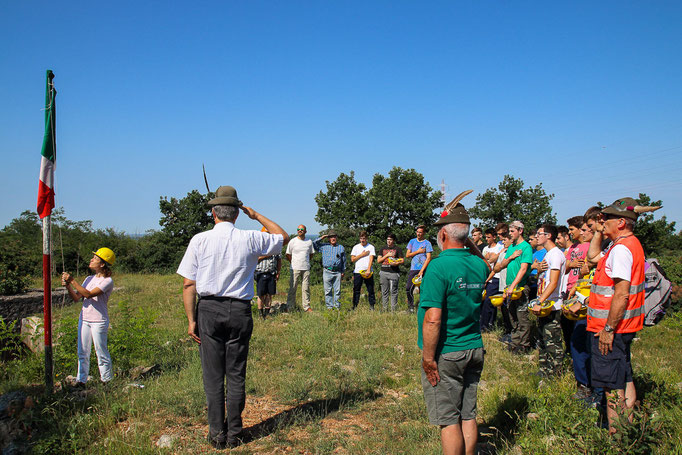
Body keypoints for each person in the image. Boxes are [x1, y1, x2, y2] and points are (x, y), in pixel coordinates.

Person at [176, 185, 289, 449]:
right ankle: (235, 433)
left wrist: (192, 320)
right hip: (239, 310)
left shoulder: (199, 240)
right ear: (237, 214)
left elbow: (188, 285)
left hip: (208, 310)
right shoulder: (250, 238)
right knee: (236, 374)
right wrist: (256, 215)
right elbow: (282, 237)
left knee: (213, 376)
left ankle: (217, 435)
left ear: (214, 214)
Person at [419, 203, 489, 455]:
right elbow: (484, 261)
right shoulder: (478, 266)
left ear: (443, 235)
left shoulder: (438, 267)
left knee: (448, 420)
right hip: (474, 347)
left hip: (447, 352)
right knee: (468, 415)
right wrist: (467, 240)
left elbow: (433, 319)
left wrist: (428, 358)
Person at [585, 197, 653, 435]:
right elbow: (593, 257)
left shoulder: (622, 250)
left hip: (612, 329)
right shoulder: (624, 244)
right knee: (624, 377)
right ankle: (629, 427)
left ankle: (618, 438)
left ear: (622, 222)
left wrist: (608, 330)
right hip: (624, 327)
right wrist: (599, 232)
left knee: (611, 386)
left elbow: (621, 294)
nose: (602, 221)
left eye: (608, 218)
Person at [62, 247, 116, 386]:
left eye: (95, 259)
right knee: (83, 352)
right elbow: (77, 297)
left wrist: (73, 281)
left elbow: (88, 294)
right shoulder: (89, 278)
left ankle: (107, 380)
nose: (91, 260)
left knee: (101, 351)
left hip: (99, 320)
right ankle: (81, 381)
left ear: (102, 264)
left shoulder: (107, 281)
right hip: (84, 319)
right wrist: (69, 286)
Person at [530, 225, 566, 379]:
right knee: (544, 341)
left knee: (553, 343)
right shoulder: (548, 254)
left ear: (548, 235)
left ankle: (555, 374)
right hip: (545, 305)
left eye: (539, 233)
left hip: (553, 306)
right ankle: (544, 370)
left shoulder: (556, 255)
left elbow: (553, 282)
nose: (537, 236)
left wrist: (540, 301)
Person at [499, 221, 534, 353]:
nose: (510, 234)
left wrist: (513, 285)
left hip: (519, 287)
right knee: (512, 315)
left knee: (522, 316)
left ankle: (524, 345)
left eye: (512, 231)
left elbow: (524, 268)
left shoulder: (526, 247)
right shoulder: (512, 247)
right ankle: (515, 341)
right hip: (509, 287)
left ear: (520, 231)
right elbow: (503, 263)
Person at [313, 230, 346, 310]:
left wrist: (343, 271)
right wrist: (322, 237)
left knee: (337, 291)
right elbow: (314, 244)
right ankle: (329, 308)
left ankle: (337, 307)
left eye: (334, 236)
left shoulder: (341, 247)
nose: (333, 238)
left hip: (337, 271)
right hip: (327, 271)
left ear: (336, 238)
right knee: (328, 291)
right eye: (331, 237)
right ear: (328, 238)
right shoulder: (324, 246)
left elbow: (344, 260)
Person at [285, 224, 314, 312]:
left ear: (305, 231)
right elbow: (287, 254)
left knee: (306, 288)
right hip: (295, 268)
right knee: (293, 288)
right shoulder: (292, 241)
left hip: (306, 268)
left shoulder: (309, 242)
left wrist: (306, 262)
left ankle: (306, 307)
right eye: (298, 229)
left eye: (302, 229)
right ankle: (290, 306)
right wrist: (293, 262)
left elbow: (311, 254)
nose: (300, 230)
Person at [405, 225, 434, 313]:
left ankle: (422, 308)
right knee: (408, 288)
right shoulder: (412, 242)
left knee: (423, 289)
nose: (418, 234)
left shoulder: (427, 243)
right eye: (417, 232)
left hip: (424, 269)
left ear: (424, 233)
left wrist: (422, 271)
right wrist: (418, 251)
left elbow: (428, 258)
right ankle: (411, 307)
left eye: (420, 232)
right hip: (414, 268)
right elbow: (407, 255)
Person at [254, 229, 282, 320]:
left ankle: (267, 313)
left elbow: (279, 260)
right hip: (260, 273)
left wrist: (278, 272)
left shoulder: (275, 246)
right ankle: (260, 314)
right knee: (261, 294)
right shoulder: (258, 246)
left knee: (269, 294)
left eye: (268, 233)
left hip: (271, 273)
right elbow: (255, 259)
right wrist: (266, 255)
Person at [481, 228, 503, 331]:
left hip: (496, 277)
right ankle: (488, 323)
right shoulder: (486, 248)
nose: (487, 239)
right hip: (487, 276)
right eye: (486, 237)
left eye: (489, 237)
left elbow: (494, 259)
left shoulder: (499, 247)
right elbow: (484, 259)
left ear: (494, 237)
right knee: (487, 300)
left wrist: (491, 258)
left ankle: (486, 324)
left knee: (490, 301)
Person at [377, 233, 404, 312]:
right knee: (384, 292)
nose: (389, 241)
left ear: (394, 241)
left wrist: (396, 263)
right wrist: (387, 255)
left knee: (393, 292)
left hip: (394, 272)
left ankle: (393, 311)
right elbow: (379, 260)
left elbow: (402, 260)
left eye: (390, 240)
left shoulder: (397, 249)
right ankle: (385, 309)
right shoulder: (383, 249)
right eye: (388, 239)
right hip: (383, 272)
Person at [351, 231, 377, 310]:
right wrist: (362, 255)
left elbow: (371, 259)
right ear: (359, 238)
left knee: (370, 289)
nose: (362, 240)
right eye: (361, 238)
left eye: (364, 238)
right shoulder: (356, 247)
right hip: (358, 271)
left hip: (367, 271)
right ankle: (355, 306)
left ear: (366, 238)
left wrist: (368, 269)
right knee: (356, 289)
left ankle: (372, 306)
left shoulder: (371, 247)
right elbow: (352, 259)